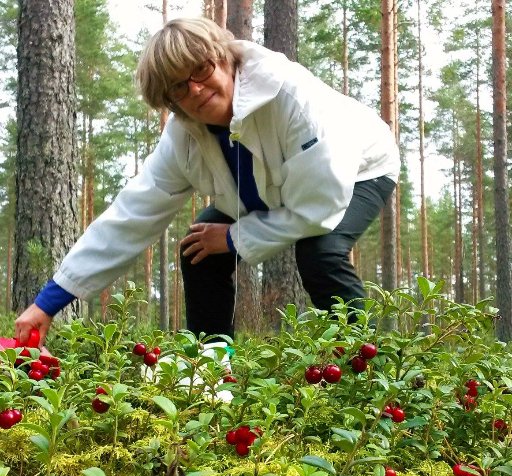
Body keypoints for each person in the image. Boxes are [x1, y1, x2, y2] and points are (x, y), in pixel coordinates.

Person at [15, 16, 399, 346]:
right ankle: (212, 368)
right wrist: (47, 302)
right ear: (170, 103)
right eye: (178, 88)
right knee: (198, 247)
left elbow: (317, 209)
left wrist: (233, 237)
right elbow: (130, 217)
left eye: (200, 70)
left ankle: (363, 367)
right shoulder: (182, 137)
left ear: (225, 59)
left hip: (361, 167)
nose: (195, 89)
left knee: (320, 251)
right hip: (272, 189)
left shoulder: (293, 97)